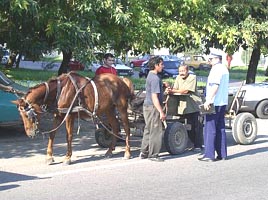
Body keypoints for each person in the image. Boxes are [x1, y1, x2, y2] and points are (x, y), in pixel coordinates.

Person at [198, 49, 229, 162]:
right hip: (222, 102)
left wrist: (208, 100)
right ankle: (222, 154)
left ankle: (209, 155)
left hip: (214, 103)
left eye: (210, 59)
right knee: (220, 127)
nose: (209, 61)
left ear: (216, 59)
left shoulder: (216, 69)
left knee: (209, 128)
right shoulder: (224, 69)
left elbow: (215, 86)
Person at [166, 64, 203, 152]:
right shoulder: (178, 78)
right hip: (183, 105)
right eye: (180, 71)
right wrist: (169, 89)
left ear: (187, 71)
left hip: (193, 105)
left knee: (196, 126)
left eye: (183, 71)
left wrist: (173, 91)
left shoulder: (192, 77)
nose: (181, 73)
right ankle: (191, 143)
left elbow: (186, 91)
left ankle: (198, 145)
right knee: (187, 126)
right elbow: (175, 88)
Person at [140, 56, 166, 162]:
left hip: (147, 106)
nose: (163, 66)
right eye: (161, 64)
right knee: (156, 130)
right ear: (156, 65)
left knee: (148, 129)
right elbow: (155, 97)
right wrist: (161, 111)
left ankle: (144, 151)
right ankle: (153, 154)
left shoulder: (150, 76)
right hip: (153, 107)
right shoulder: (155, 78)